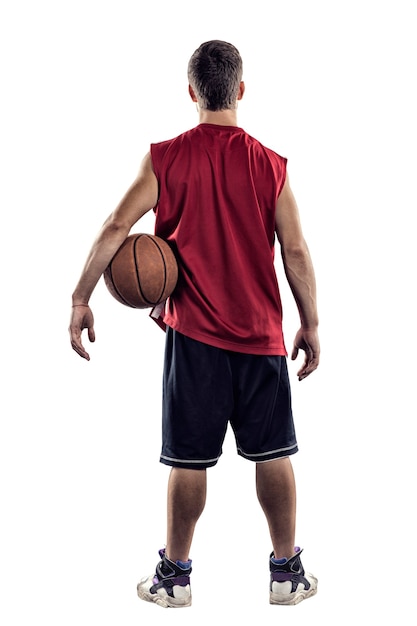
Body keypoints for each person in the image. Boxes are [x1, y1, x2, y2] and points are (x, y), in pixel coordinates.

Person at [69, 40, 320, 608]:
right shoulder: (270, 164)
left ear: (191, 93)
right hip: (261, 338)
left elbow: (115, 227)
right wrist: (311, 323)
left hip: (195, 341)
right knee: (274, 453)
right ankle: (286, 574)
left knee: (187, 460)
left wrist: (81, 297)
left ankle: (174, 579)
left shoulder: (165, 158)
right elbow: (297, 252)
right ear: (240, 90)